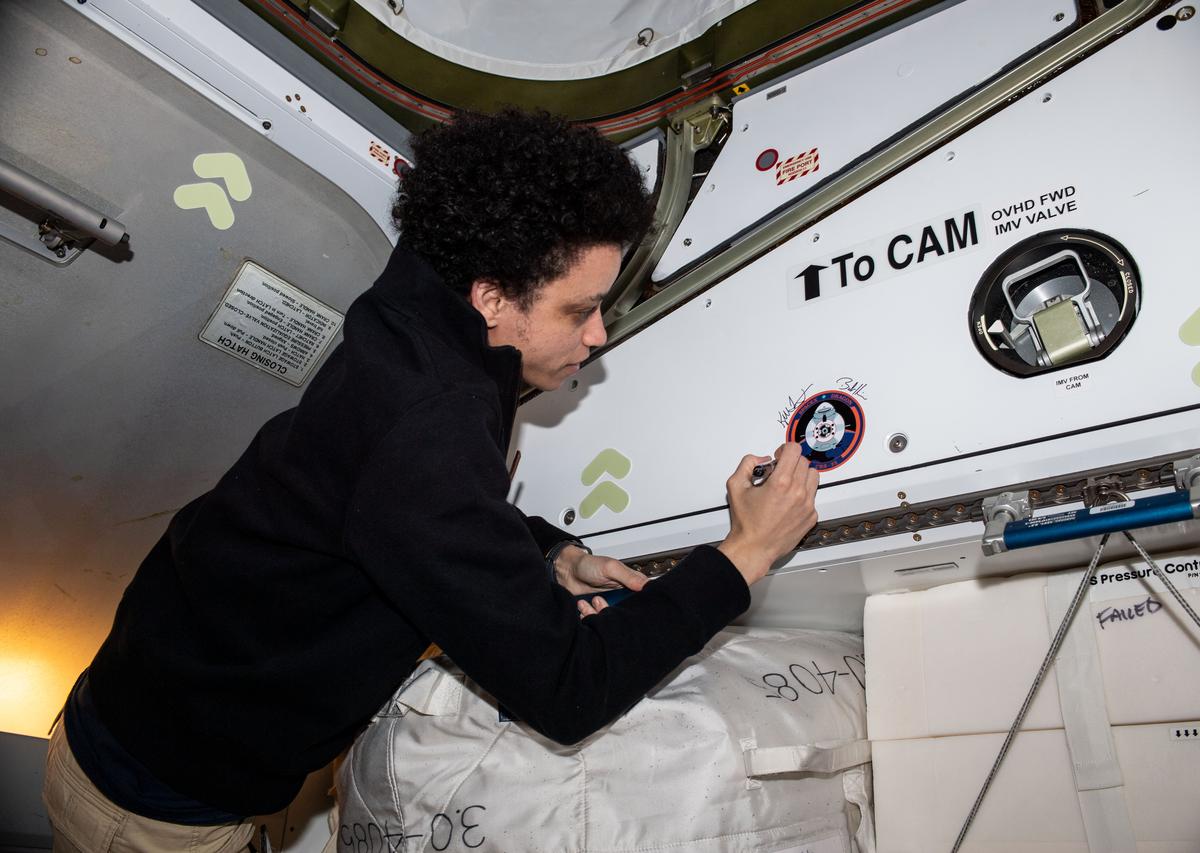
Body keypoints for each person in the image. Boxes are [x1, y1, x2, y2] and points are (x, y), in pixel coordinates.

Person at [42, 109, 819, 852]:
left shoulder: (421, 302)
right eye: (579, 310)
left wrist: (549, 553)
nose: (597, 335)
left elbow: (399, 504)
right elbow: (568, 689)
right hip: (151, 806)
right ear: (490, 295)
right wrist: (742, 557)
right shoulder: (428, 424)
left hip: (135, 702)